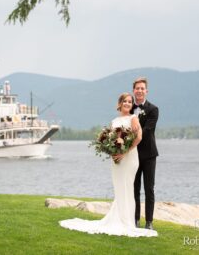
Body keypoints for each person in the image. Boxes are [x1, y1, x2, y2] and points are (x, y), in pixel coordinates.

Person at [59, 93, 158, 237]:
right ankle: (119, 217)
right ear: (120, 103)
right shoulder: (114, 121)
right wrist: (112, 151)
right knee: (119, 188)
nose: (128, 104)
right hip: (116, 159)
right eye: (125, 101)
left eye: (130, 102)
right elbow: (110, 140)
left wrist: (125, 152)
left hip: (129, 158)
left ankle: (128, 221)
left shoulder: (133, 118)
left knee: (127, 187)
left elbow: (139, 137)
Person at [131, 77, 159, 230]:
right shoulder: (128, 109)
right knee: (135, 189)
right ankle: (135, 220)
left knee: (149, 189)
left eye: (142, 88)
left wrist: (131, 137)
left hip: (149, 155)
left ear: (146, 91)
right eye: (137, 88)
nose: (140, 91)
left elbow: (147, 131)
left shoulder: (153, 109)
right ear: (133, 90)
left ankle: (149, 222)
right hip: (133, 155)